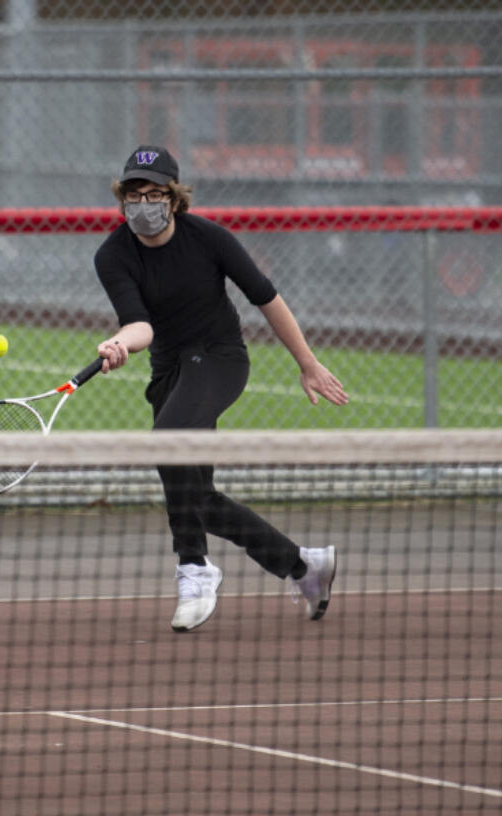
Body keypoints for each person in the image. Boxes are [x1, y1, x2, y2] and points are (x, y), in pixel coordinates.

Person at [92, 145, 348, 633]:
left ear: (173, 198)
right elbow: (139, 324)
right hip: (170, 369)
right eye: (132, 194)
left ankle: (194, 567)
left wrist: (308, 364)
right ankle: (303, 566)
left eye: (152, 193)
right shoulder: (113, 255)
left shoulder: (209, 239)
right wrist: (120, 344)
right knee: (195, 493)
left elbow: (266, 298)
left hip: (220, 358)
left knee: (169, 446)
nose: (141, 204)